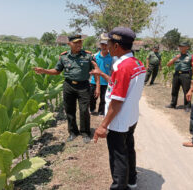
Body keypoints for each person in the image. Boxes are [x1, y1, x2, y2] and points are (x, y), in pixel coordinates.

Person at [91, 27, 146, 190]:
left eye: (109, 43)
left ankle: (119, 186)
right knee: (128, 148)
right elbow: (119, 85)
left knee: (118, 157)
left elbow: (116, 102)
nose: (106, 46)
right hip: (131, 117)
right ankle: (131, 180)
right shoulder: (136, 63)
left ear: (116, 46)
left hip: (119, 120)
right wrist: (101, 74)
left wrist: (103, 126)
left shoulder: (121, 67)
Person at [34, 35, 100, 144]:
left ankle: (85, 132)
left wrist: (97, 86)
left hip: (83, 86)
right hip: (69, 86)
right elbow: (57, 71)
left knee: (84, 110)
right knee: (69, 110)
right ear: (69, 44)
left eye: (80, 42)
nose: (79, 44)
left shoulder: (88, 56)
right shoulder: (64, 57)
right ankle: (73, 132)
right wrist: (44, 70)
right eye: (76, 43)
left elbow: (96, 71)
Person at [166, 41, 193, 112]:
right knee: (174, 90)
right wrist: (175, 59)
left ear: (187, 47)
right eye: (180, 46)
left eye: (183, 46)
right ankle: (173, 104)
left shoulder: (191, 56)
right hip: (176, 74)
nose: (181, 48)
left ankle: (187, 106)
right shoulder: (176, 55)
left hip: (186, 75)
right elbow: (168, 64)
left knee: (186, 91)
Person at [90, 33, 113, 116]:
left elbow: (112, 71)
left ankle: (101, 112)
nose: (104, 47)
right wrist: (97, 85)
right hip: (94, 81)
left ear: (108, 46)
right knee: (92, 97)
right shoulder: (95, 56)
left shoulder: (112, 58)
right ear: (100, 45)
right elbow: (93, 70)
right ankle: (92, 109)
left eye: (106, 45)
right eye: (102, 44)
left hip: (106, 83)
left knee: (103, 99)